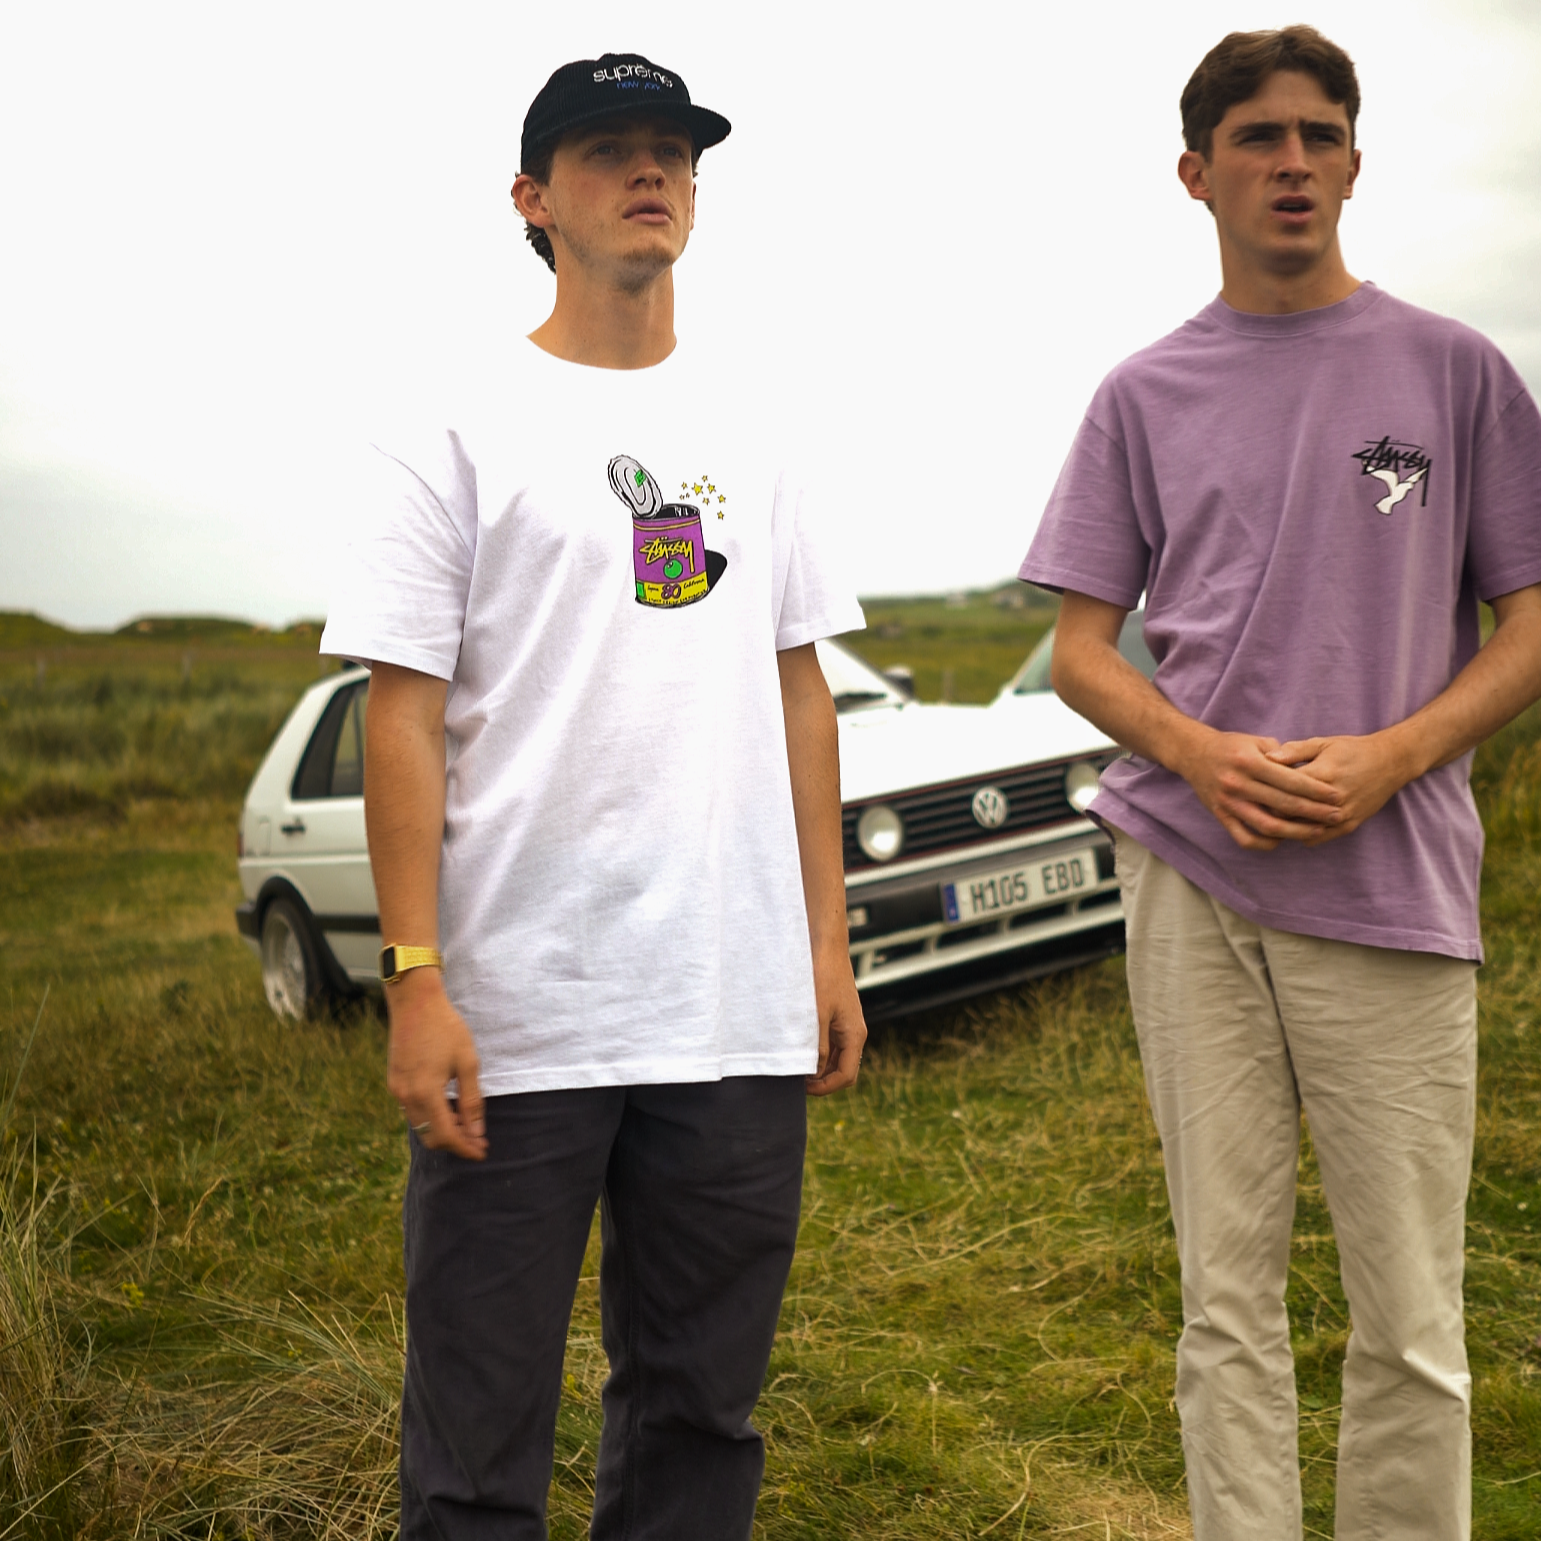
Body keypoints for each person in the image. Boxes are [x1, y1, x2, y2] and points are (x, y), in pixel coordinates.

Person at [318, 52, 867, 1541]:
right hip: (519, 1017)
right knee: (476, 1447)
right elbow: (401, 713)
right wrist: (415, 978)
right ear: (532, 199)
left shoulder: (761, 420)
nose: (651, 172)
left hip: (730, 1006)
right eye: (611, 149)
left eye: (674, 152)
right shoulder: (449, 420)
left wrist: (824, 947)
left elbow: (801, 692)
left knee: (701, 1418)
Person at [1019, 24, 1541, 1541]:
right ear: (1198, 173)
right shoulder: (1142, 393)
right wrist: (1197, 753)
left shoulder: (1455, 372)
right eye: (1258, 137)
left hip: (1394, 878)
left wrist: (1396, 754)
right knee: (1224, 1303)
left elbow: (1530, 620)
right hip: (1191, 874)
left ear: (1356, 164)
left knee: (1413, 1315)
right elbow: (1080, 652)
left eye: (1319, 135)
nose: (1292, 162)